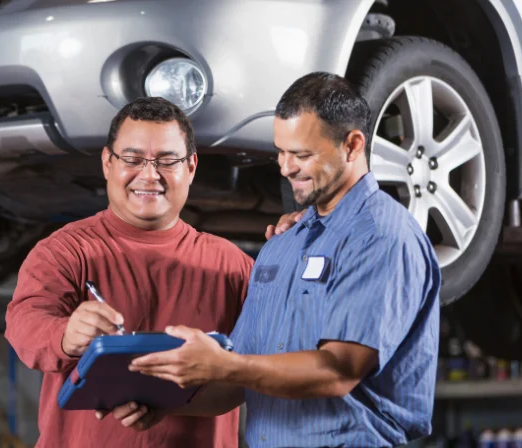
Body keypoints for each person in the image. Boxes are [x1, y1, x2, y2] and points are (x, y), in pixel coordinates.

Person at [116, 72, 442, 447]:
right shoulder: (282, 245)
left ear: (352, 145)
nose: (286, 168)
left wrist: (227, 365)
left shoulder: (381, 236)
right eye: (281, 152)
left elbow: (338, 372)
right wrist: (163, 402)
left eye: (302, 155)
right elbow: (239, 382)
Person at [4, 96, 262, 448]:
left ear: (191, 167)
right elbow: (24, 322)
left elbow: (264, 366)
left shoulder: (232, 266)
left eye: (167, 161)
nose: (149, 174)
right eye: (132, 159)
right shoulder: (65, 250)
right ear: (108, 163)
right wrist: (66, 333)